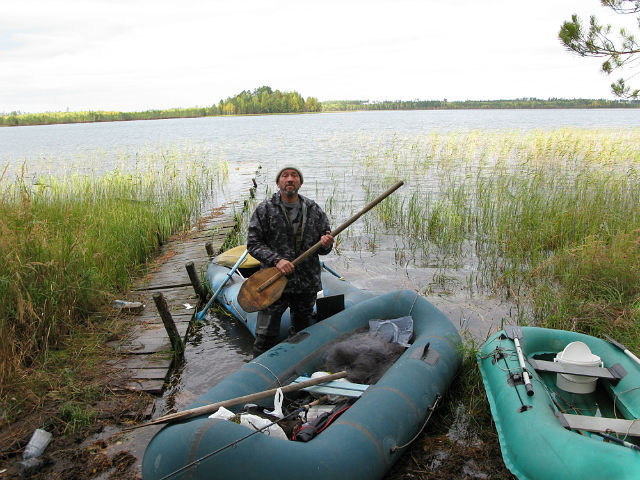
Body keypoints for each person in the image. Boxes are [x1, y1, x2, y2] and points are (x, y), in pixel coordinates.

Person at [247, 166, 334, 357]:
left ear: (300, 183)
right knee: (265, 337)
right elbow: (253, 244)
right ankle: (260, 374)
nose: (290, 179)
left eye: (294, 176)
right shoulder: (265, 209)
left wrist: (327, 244)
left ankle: (296, 373)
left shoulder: (313, 209)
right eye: (285, 176)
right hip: (273, 282)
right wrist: (277, 260)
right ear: (278, 182)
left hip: (306, 284)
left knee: (302, 335)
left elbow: (325, 248)